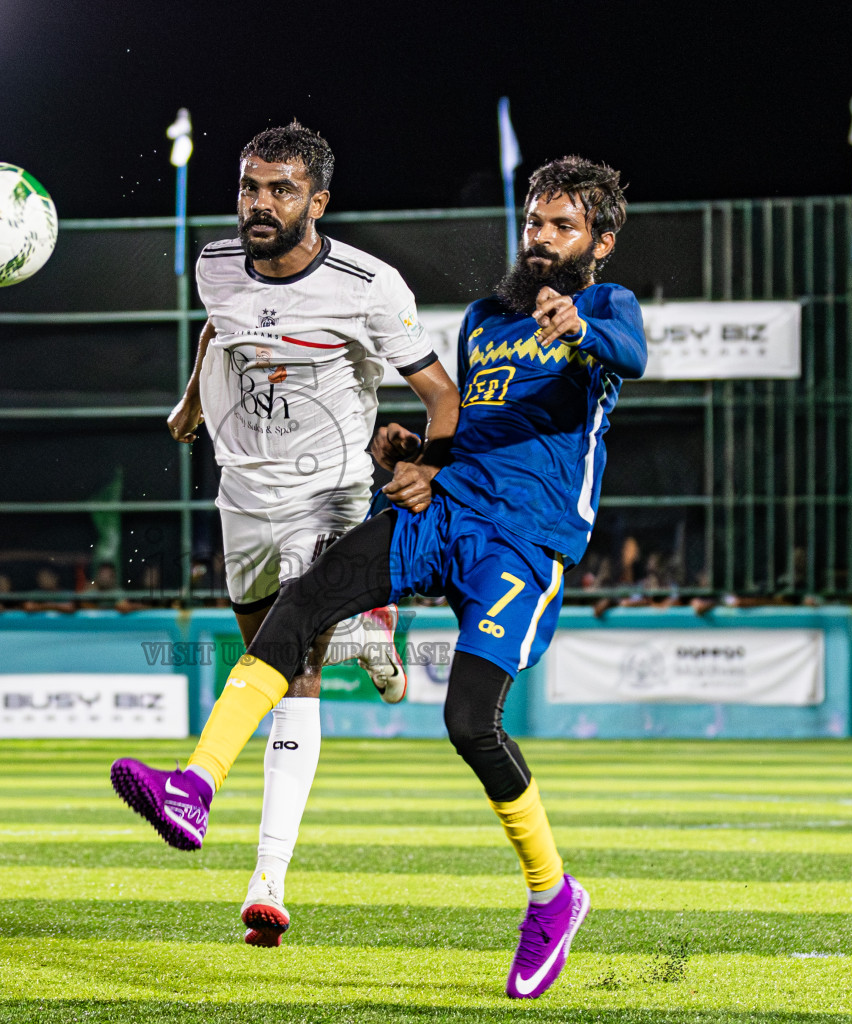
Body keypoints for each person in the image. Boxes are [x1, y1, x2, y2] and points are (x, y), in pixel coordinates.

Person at [112, 156, 644, 998]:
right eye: (535, 222)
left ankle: (554, 895)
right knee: (306, 599)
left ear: (599, 243)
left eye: (563, 227)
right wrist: (415, 455)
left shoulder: (607, 308)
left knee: (470, 721)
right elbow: (466, 426)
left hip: (523, 544)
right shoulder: (484, 319)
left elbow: (632, 352)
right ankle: (196, 784)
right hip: (444, 510)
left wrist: (579, 326)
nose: (541, 238)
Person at [159, 121, 460, 947]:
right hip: (244, 496)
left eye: (281, 189)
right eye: (251, 186)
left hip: (331, 495)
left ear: (317, 201)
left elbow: (443, 395)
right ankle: (371, 638)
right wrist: (191, 400)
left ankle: (268, 878)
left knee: (291, 667)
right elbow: (220, 327)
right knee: (277, 653)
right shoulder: (215, 264)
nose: (261, 203)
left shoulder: (369, 286)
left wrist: (430, 469)